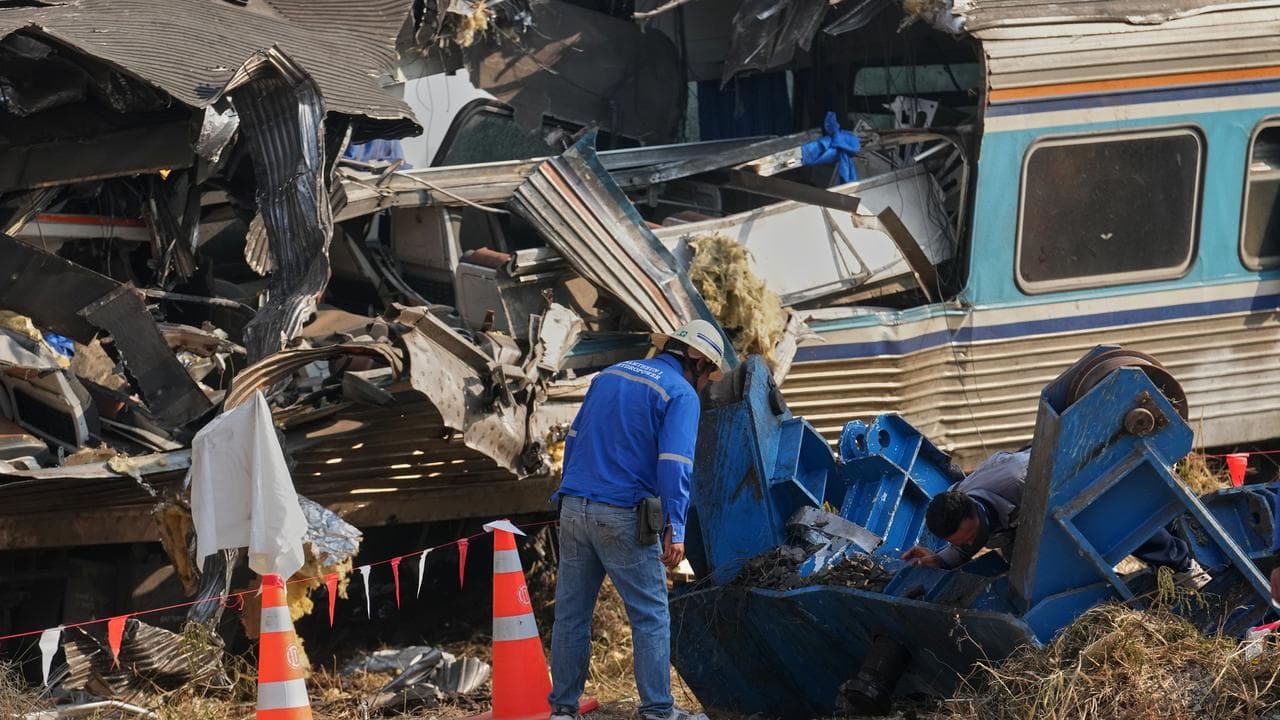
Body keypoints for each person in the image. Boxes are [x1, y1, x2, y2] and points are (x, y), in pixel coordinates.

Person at [547, 319, 726, 720]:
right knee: (650, 615)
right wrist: (675, 527)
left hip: (574, 506)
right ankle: (658, 710)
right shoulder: (680, 393)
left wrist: (566, 495)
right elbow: (675, 463)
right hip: (621, 515)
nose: (707, 380)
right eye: (709, 370)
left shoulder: (609, 375)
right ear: (694, 357)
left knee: (572, 615)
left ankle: (562, 709)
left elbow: (574, 439)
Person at [900, 449, 1212, 589]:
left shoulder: (1023, 479)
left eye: (970, 536)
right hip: (1021, 518)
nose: (970, 545)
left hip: (1065, 473)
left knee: (1108, 518)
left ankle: (1183, 566)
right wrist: (939, 561)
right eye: (962, 542)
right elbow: (964, 543)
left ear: (975, 511)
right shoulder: (964, 512)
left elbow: (1088, 487)